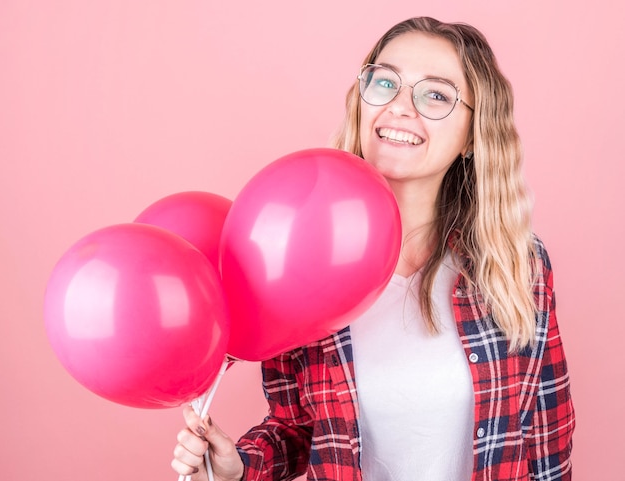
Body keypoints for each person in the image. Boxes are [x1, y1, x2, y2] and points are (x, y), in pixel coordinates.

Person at [171, 16, 575, 481]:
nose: (401, 107)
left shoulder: (516, 266)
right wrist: (239, 467)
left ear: (472, 135)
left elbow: (548, 437)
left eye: (436, 94)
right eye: (385, 82)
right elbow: (295, 428)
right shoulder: (297, 256)